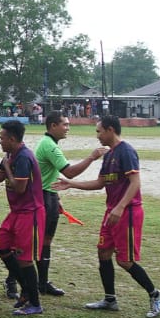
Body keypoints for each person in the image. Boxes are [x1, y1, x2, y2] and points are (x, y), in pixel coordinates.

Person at [55, 115, 160, 318]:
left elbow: (135, 183)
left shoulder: (126, 151)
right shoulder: (108, 155)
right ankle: (110, 299)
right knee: (103, 252)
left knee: (125, 261)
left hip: (128, 212)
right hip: (112, 212)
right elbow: (100, 183)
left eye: (99, 131)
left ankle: (155, 294)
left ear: (110, 130)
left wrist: (121, 207)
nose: (97, 136)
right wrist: (71, 184)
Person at [33, 113, 108, 297]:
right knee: (38, 241)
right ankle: (18, 281)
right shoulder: (50, 146)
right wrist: (92, 157)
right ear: (53, 126)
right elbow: (70, 173)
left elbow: (48, 175)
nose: (68, 128)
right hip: (43, 197)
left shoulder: (49, 143)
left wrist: (56, 198)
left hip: (49, 196)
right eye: (65, 125)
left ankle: (42, 283)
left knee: (45, 241)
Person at [0, 120, 45, 315]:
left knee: (25, 259)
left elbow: (20, 188)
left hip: (30, 213)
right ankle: (26, 289)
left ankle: (35, 304)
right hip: (16, 212)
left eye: (2, 138)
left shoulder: (23, 157)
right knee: (1, 247)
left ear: (12, 139)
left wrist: (7, 167)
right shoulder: (9, 155)